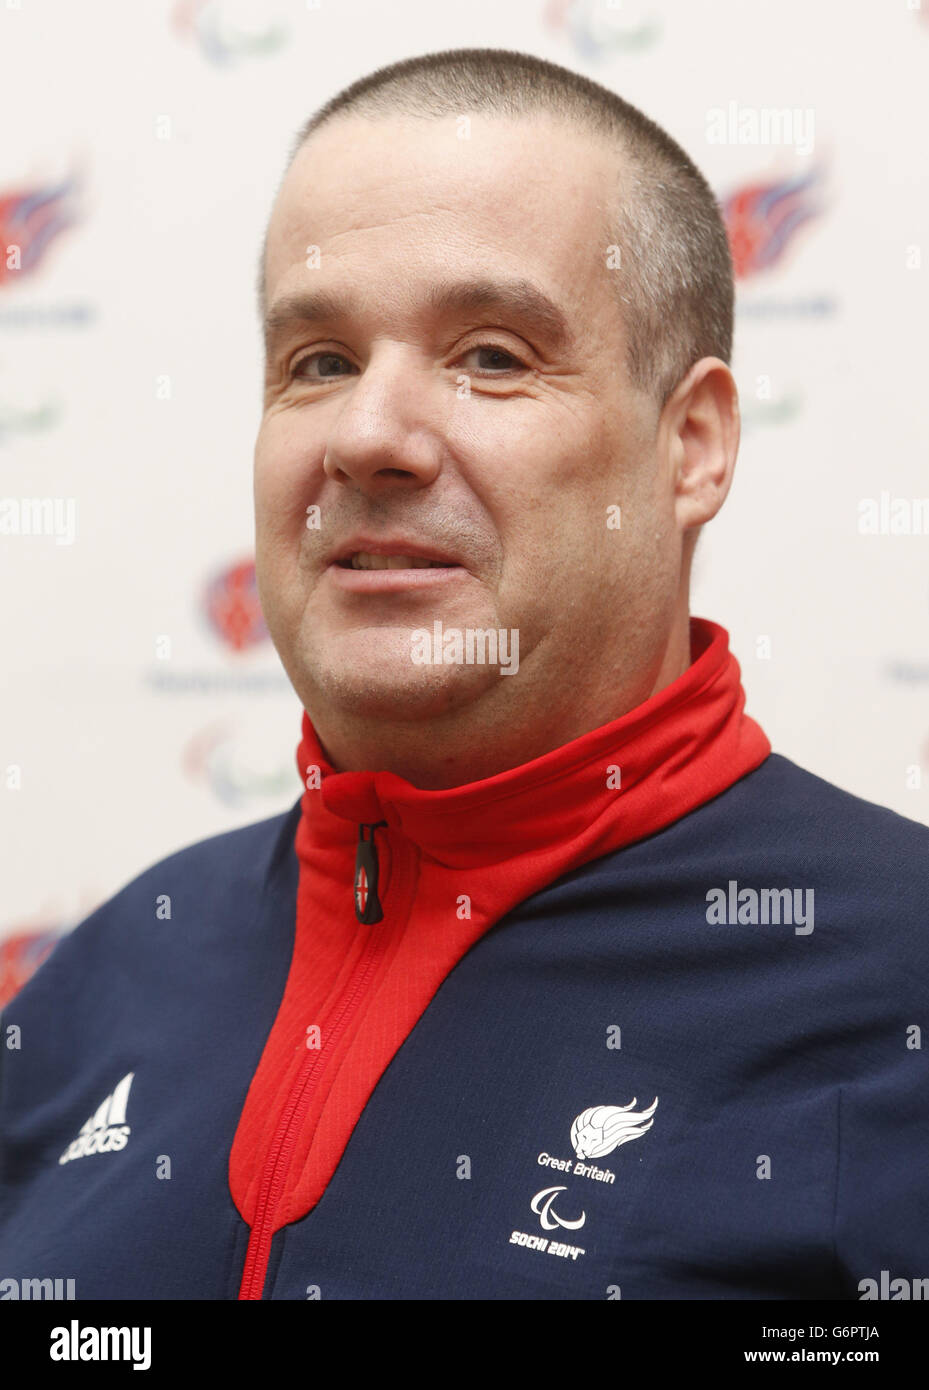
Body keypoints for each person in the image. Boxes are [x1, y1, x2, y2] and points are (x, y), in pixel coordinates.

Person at [1, 48, 926, 1303]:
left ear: (690, 445)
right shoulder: (107, 978)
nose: (369, 436)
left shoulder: (891, 975)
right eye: (318, 361)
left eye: (490, 355)